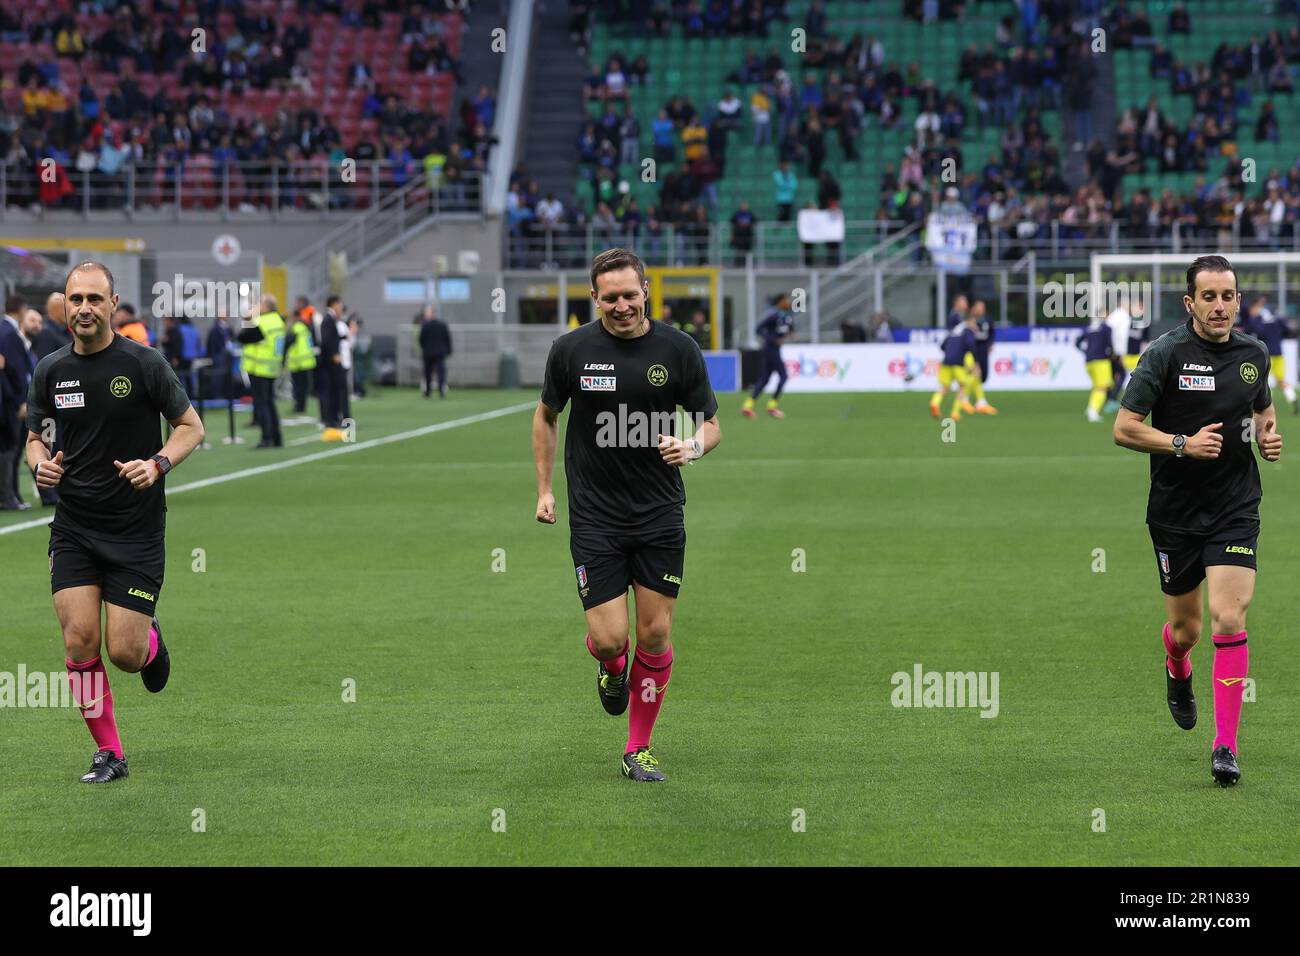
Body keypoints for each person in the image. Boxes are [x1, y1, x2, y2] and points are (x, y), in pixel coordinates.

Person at [533, 247, 721, 783]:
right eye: (609, 297)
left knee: (656, 635)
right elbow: (546, 416)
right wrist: (545, 489)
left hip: (660, 513)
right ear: (595, 298)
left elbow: (711, 423)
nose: (620, 305)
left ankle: (637, 748)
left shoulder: (678, 349)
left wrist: (693, 447)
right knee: (614, 640)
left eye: (629, 295)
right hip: (594, 517)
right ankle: (610, 668)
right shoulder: (570, 351)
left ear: (646, 293)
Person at [24, 260, 205, 784]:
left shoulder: (144, 363)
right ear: (64, 305)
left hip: (136, 529)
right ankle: (110, 754)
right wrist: (40, 463)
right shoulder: (50, 371)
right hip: (75, 526)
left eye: (94, 299)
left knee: (122, 653)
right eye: (75, 299)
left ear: (112, 304)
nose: (84, 308)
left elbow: (190, 427)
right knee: (79, 640)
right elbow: (36, 436)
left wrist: (158, 463)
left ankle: (147, 641)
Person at [1113, 255, 1282, 788]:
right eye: (1207, 297)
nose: (1219, 305)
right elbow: (1123, 428)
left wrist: (1268, 437)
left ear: (1237, 299)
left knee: (1228, 617)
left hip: (1235, 506)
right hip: (1176, 513)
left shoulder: (1254, 353)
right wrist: (1181, 444)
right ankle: (1176, 665)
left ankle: (1225, 746)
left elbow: (1261, 411)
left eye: (1227, 295)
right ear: (1190, 303)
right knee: (1187, 631)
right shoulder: (1164, 354)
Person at [236, 295, 286, 448]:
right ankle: (277, 438)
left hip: (259, 368)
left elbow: (242, 337)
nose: (257, 307)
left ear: (267, 307)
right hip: (272, 367)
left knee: (262, 404)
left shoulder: (263, 321)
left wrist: (248, 319)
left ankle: (267, 438)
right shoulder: (277, 320)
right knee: (270, 403)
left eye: (260, 304)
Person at [1, 295, 35, 510]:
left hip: (7, 398)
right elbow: (14, 369)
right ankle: (8, 496)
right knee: (10, 448)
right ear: (21, 310)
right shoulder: (9, 332)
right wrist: (21, 400)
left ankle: (10, 495)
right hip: (8, 401)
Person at [742, 292, 793, 419]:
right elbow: (758, 329)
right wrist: (773, 339)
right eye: (786, 300)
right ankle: (772, 406)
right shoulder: (774, 316)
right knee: (784, 376)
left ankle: (747, 406)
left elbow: (787, 329)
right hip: (770, 349)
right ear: (781, 302)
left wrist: (789, 333)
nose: (788, 302)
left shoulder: (787, 316)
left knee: (765, 379)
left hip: (774, 350)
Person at [1242, 295, 1297, 413]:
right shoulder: (1277, 318)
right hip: (1279, 354)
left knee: (1262, 381)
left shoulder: (1257, 319)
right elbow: (1288, 330)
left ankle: (1266, 405)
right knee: (1281, 381)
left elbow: (1248, 331)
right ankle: (1293, 398)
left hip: (1265, 354)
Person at [930, 311, 979, 421]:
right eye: (974, 323)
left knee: (945, 387)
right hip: (958, 362)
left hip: (946, 361)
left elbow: (943, 345)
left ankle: (935, 402)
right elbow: (971, 345)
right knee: (962, 387)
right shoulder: (967, 331)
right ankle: (955, 413)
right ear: (969, 321)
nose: (975, 326)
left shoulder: (954, 330)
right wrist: (974, 362)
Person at [318, 295, 351, 432]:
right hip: (330, 362)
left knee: (334, 390)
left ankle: (334, 418)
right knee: (333, 390)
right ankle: (331, 419)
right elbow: (327, 340)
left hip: (330, 361)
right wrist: (334, 355)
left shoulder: (331, 319)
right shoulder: (328, 319)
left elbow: (332, 338)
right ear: (334, 304)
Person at [1076, 312, 1114, 423]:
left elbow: (1077, 342)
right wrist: (1111, 354)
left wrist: (1086, 351)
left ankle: (1090, 409)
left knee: (1097, 386)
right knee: (1103, 387)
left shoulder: (1089, 329)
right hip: (1101, 360)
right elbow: (1109, 344)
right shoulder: (1106, 328)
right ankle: (1093, 412)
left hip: (1089, 361)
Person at [284, 305, 318, 414]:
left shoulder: (295, 329)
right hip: (307, 361)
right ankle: (302, 407)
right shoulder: (305, 327)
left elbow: (287, 344)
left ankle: (298, 407)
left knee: (298, 387)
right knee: (303, 387)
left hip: (297, 362)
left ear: (294, 317)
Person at [966, 299, 998, 415]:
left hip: (983, 350)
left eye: (982, 307)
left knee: (982, 375)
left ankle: (977, 401)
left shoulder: (987, 319)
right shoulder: (969, 319)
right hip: (972, 351)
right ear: (974, 308)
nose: (981, 309)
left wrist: (990, 344)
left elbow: (992, 333)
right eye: (979, 307)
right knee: (975, 374)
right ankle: (973, 401)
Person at [418, 306, 453, 398]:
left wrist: (424, 348)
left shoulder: (425, 325)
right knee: (440, 372)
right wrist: (448, 350)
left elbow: (421, 339)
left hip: (428, 353)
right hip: (440, 353)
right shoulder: (442, 324)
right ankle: (441, 391)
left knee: (428, 373)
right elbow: (447, 339)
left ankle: (428, 392)